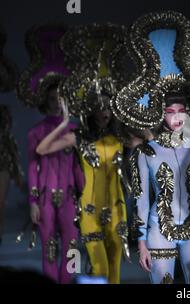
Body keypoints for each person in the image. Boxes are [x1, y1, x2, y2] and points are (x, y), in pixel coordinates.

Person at [111, 11, 190, 284]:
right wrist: (140, 241)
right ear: (159, 114)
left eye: (181, 110)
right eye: (170, 111)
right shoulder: (146, 152)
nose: (176, 117)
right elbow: (141, 200)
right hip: (158, 230)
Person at [35, 23, 131, 284]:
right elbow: (41, 149)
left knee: (115, 271)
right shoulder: (78, 137)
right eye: (100, 108)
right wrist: (65, 123)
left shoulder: (120, 137)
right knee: (98, 267)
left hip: (117, 208)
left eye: (109, 108)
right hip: (88, 209)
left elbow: (148, 138)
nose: (104, 112)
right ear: (91, 111)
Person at [16, 24, 84, 283]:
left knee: (70, 249)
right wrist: (33, 202)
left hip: (69, 197)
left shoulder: (76, 129)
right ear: (46, 100)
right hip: (45, 197)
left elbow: (78, 166)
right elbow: (33, 165)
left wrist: (82, 195)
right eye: (54, 98)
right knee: (50, 249)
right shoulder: (37, 131)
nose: (57, 102)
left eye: (61, 98)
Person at [0, 105, 23, 247]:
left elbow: (14, 153)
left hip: (3, 166)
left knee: (0, 204)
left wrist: (18, 173)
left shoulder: (7, 137)